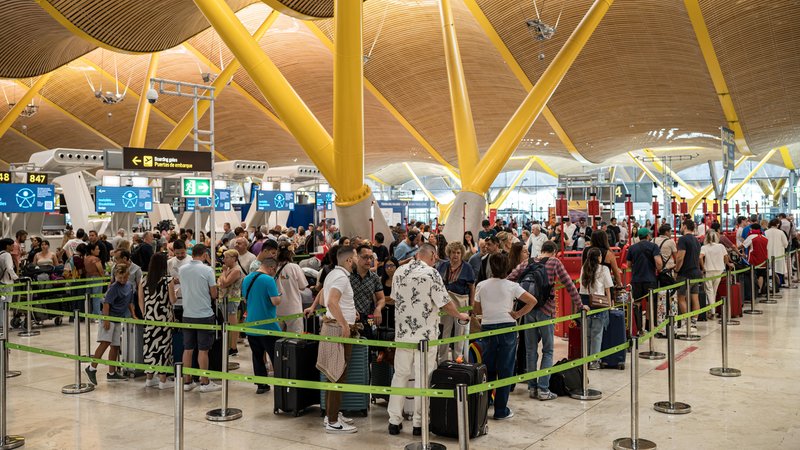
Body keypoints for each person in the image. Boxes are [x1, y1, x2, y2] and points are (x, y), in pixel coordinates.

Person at [387, 244, 470, 435]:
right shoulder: (432, 273)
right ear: (432, 255)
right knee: (423, 379)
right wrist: (460, 315)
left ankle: (394, 421)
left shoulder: (399, 271)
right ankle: (419, 423)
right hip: (425, 337)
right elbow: (444, 302)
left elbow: (394, 298)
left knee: (400, 376)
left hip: (402, 335)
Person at [507, 241, 587, 400]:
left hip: (528, 311)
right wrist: (580, 305)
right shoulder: (554, 262)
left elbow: (509, 280)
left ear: (541, 250)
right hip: (547, 311)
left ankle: (532, 388)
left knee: (530, 350)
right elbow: (569, 285)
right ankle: (544, 389)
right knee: (548, 350)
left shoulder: (527, 263)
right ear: (555, 251)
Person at [473, 253, 536, 419]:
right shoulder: (512, 286)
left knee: (488, 367)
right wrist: (517, 314)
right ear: (508, 267)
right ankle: (501, 410)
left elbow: (477, 311)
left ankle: (486, 403)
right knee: (506, 368)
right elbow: (532, 301)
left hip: (487, 327)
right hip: (507, 327)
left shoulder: (481, 285)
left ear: (491, 267)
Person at [317, 246, 360, 433]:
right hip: (337, 330)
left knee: (333, 374)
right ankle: (333, 422)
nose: (357, 260)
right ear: (349, 260)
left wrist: (350, 312)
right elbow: (331, 302)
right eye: (356, 256)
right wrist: (344, 324)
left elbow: (323, 301)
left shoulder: (333, 274)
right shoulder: (341, 277)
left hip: (332, 326)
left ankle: (331, 414)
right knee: (337, 375)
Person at [177, 244, 221, 393]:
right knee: (203, 350)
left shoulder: (182, 269)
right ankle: (204, 381)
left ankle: (188, 381)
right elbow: (214, 294)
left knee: (188, 349)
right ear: (204, 254)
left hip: (187, 314)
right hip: (204, 314)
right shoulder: (208, 270)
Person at [84, 264, 137, 385]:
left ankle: (112, 373)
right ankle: (91, 368)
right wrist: (106, 320)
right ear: (115, 276)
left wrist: (133, 314)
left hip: (118, 319)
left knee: (115, 346)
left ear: (128, 276)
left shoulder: (129, 286)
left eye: (124, 277)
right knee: (105, 343)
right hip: (109, 318)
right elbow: (106, 304)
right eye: (120, 278)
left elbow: (129, 302)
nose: (122, 280)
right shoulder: (114, 287)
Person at [241, 257, 282, 394]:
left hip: (251, 324)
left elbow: (245, 299)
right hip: (268, 325)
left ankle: (261, 385)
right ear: (271, 268)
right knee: (276, 356)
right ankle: (280, 383)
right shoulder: (269, 280)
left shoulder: (247, 279)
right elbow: (275, 301)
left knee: (257, 356)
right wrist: (279, 296)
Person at [139, 253, 176, 389]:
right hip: (164, 318)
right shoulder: (168, 280)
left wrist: (145, 314)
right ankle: (163, 380)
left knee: (150, 346)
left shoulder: (144, 279)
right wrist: (176, 294)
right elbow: (172, 300)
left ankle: (149, 378)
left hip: (149, 318)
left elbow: (140, 300)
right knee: (164, 347)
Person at [436, 242, 475, 363]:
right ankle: (442, 359)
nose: (456, 255)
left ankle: (458, 359)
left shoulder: (467, 267)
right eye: (453, 252)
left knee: (460, 333)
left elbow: (472, 287)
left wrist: (471, 305)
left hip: (461, 301)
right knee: (444, 332)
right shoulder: (443, 266)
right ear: (449, 253)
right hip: (445, 303)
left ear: (462, 254)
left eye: (458, 253)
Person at [579, 247, 614, 370]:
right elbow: (608, 288)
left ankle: (586, 359)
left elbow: (581, 286)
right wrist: (609, 304)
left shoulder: (584, 267)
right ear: (599, 257)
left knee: (587, 333)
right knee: (597, 334)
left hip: (585, 301)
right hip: (599, 301)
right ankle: (594, 361)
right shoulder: (604, 269)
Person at [626, 228, 662, 332]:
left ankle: (638, 328)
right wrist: (658, 268)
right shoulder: (654, 246)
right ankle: (649, 326)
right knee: (650, 302)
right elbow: (658, 263)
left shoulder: (632, 248)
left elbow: (628, 264)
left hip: (636, 280)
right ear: (647, 236)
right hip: (650, 279)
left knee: (637, 302)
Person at [350, 245, 386, 335]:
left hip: (368, 317)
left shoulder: (374, 278)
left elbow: (381, 298)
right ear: (357, 257)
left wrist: (378, 309)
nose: (369, 261)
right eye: (365, 257)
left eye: (371, 258)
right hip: (350, 317)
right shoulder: (348, 275)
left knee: (369, 340)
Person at [274, 244, 309, 333]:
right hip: (293, 309)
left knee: (277, 339)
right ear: (290, 254)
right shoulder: (295, 267)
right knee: (294, 341)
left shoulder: (273, 268)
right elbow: (303, 286)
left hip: (277, 309)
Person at [675, 219, 702, 330]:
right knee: (695, 298)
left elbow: (680, 256)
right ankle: (694, 322)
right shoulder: (696, 240)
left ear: (685, 226)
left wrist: (677, 270)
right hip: (696, 271)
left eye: (681, 225)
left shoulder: (683, 239)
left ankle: (687, 322)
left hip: (685, 273)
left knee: (681, 297)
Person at [699, 230, 730, 321]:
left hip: (708, 270)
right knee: (714, 290)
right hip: (719, 270)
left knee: (709, 290)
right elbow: (726, 256)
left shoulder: (704, 247)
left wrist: (702, 267)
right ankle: (712, 310)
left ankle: (712, 312)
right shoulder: (721, 246)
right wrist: (725, 264)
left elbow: (700, 257)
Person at [218, 249, 244, 355]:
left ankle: (233, 347)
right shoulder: (230, 269)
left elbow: (224, 283)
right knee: (226, 323)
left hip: (231, 299)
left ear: (234, 258)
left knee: (232, 323)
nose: (224, 260)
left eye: (226, 257)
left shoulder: (236, 270)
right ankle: (229, 345)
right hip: (224, 299)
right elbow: (220, 281)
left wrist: (223, 273)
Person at [765, 218, 788, 293]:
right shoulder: (780, 232)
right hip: (779, 254)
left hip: (768, 254)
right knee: (779, 270)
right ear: (777, 224)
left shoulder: (766, 232)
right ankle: (778, 284)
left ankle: (770, 285)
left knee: (770, 270)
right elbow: (785, 244)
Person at [84, 243, 106, 315]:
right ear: (92, 250)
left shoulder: (86, 258)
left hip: (88, 278)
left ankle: (89, 312)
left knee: (89, 297)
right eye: (97, 249)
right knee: (97, 296)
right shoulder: (96, 259)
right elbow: (100, 269)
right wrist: (103, 277)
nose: (99, 250)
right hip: (97, 278)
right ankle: (96, 313)